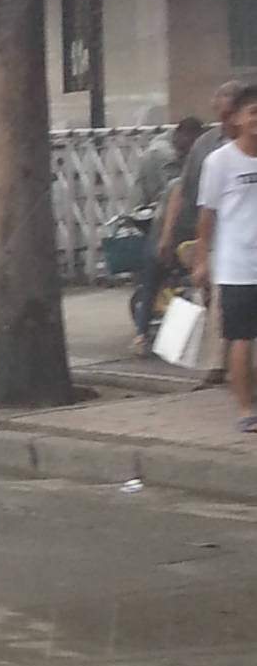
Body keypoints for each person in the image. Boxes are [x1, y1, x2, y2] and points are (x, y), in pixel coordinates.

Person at [158, 81, 244, 379]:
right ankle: (220, 364)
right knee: (216, 300)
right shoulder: (207, 146)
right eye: (221, 114)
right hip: (217, 238)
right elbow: (183, 190)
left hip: (244, 238)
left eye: (231, 113)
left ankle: (229, 364)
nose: (226, 120)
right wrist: (169, 234)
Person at [195, 82, 257, 432]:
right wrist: (202, 259)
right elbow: (207, 216)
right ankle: (246, 409)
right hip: (237, 266)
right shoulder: (220, 161)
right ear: (237, 119)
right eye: (253, 113)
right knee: (241, 337)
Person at [129, 117, 204, 353]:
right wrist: (165, 241)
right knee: (151, 280)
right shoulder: (172, 172)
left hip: (184, 236)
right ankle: (141, 336)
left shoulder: (192, 173)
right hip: (163, 233)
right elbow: (169, 212)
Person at [133, 116, 202, 211]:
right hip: (146, 211)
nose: (190, 151)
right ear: (183, 135)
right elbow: (174, 191)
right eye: (191, 144)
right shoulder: (164, 156)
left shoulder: (165, 145)